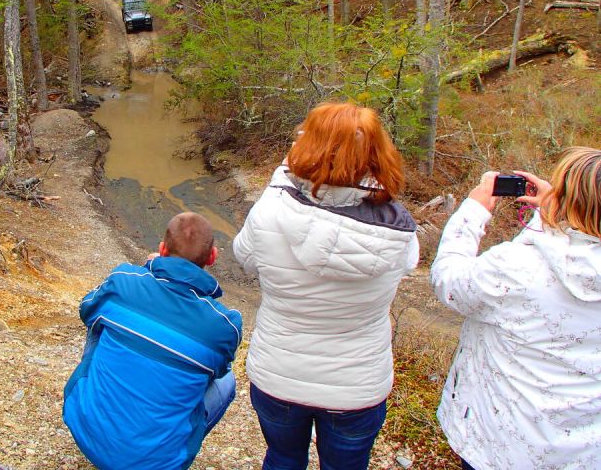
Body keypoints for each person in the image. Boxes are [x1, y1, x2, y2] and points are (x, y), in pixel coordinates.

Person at [233, 102, 419, 470]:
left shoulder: (271, 209)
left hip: (279, 372)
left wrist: (283, 179)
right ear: (378, 154)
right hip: (357, 384)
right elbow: (406, 268)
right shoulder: (399, 232)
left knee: (283, 458)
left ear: (305, 145)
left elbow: (245, 257)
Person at [431, 147, 601, 469]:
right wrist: (553, 215)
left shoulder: (516, 268)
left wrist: (473, 211)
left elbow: (448, 282)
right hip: (587, 452)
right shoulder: (528, 263)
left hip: (502, 446)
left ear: (569, 199)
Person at [63, 212, 243, 470]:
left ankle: (102, 413)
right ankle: (167, 444)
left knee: (102, 318)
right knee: (226, 380)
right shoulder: (225, 325)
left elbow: (86, 309)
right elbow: (218, 372)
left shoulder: (123, 281)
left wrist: (148, 271)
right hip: (161, 463)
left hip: (86, 434)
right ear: (212, 257)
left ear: (161, 249)